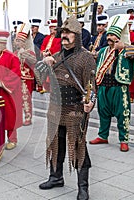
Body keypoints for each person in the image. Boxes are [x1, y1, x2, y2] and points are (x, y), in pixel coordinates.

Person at [36, 16, 96, 200]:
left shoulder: (86, 58)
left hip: (74, 109)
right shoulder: (56, 56)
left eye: (69, 33)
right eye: (63, 32)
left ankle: (83, 187)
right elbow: (39, 78)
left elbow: (91, 84)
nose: (65, 36)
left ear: (77, 36)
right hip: (55, 108)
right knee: (56, 144)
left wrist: (90, 101)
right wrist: (43, 65)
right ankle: (56, 177)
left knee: (78, 146)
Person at [89, 14, 134, 152]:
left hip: (119, 87)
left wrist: (125, 46)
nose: (109, 38)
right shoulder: (102, 51)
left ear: (119, 37)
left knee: (123, 114)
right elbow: (93, 58)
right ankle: (103, 135)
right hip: (103, 86)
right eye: (108, 35)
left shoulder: (127, 50)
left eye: (113, 35)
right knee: (103, 113)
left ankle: (124, 139)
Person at [14, 22, 37, 126]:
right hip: (17, 78)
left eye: (20, 41)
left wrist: (24, 54)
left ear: (24, 42)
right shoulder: (15, 53)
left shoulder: (30, 52)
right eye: (17, 40)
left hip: (27, 78)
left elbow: (33, 61)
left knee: (26, 99)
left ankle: (28, 117)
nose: (17, 43)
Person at [40, 19, 61, 93]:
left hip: (53, 58)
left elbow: (57, 47)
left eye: (53, 28)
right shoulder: (47, 38)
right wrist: (43, 52)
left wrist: (49, 52)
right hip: (45, 57)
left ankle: (52, 88)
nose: (51, 30)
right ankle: (44, 86)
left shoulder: (59, 38)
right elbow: (43, 46)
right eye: (50, 28)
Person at [29, 17, 46, 92]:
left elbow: (39, 47)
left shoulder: (41, 36)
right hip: (29, 57)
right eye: (31, 27)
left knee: (37, 72)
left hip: (37, 57)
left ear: (37, 27)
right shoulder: (29, 36)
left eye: (34, 27)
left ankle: (38, 85)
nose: (32, 29)